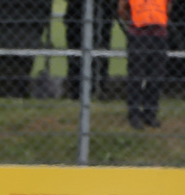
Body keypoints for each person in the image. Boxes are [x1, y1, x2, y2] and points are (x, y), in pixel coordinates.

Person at [119, 0, 169, 128]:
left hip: (159, 34)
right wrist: (133, 22)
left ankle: (150, 113)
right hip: (138, 34)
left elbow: (168, 7)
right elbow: (122, 9)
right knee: (136, 76)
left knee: (157, 75)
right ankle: (134, 114)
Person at [65, 0, 115, 98]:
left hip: (103, 12)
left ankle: (99, 87)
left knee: (101, 51)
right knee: (76, 52)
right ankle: (77, 91)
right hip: (77, 12)